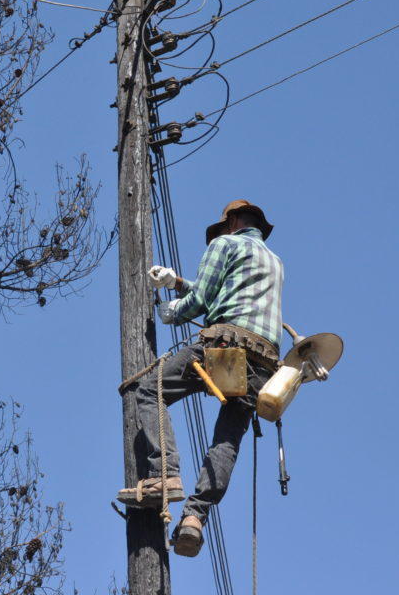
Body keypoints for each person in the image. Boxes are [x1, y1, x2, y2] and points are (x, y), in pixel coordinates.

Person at [118, 200, 283, 558]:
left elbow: (203, 300)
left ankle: (164, 473)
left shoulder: (224, 244)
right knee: (226, 439)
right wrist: (176, 282)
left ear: (233, 221)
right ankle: (194, 518)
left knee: (150, 389)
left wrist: (172, 311)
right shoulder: (274, 262)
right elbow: (225, 293)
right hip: (264, 367)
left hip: (226, 348)